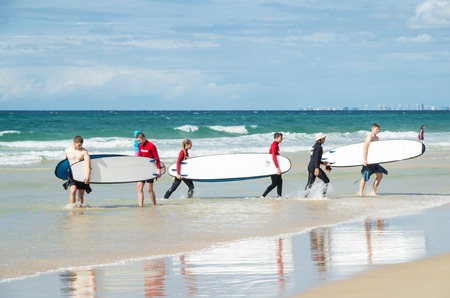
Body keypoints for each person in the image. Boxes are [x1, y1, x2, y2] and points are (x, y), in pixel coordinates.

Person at [358, 123, 388, 196]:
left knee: (380, 175)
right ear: (372, 129)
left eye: (378, 129)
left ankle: (373, 191)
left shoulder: (377, 138)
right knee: (365, 177)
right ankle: (360, 193)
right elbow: (365, 148)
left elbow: (375, 150)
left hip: (374, 161)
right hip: (368, 161)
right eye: (376, 129)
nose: (378, 130)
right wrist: (365, 160)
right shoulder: (369, 137)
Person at [63, 135, 91, 206]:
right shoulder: (67, 151)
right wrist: (64, 175)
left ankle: (79, 209)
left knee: (81, 193)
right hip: (72, 173)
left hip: (82, 173)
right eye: (79, 145)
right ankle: (72, 208)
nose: (80, 147)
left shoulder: (84, 152)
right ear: (74, 142)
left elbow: (88, 165)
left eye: (81, 145)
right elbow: (64, 164)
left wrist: (87, 176)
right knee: (73, 191)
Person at [136, 132, 161, 206]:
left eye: (139, 140)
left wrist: (158, 170)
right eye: (138, 141)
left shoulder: (151, 146)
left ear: (143, 138)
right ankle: (140, 206)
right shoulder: (140, 145)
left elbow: (157, 158)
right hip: (142, 169)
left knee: (149, 189)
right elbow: (140, 157)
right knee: (139, 187)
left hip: (150, 169)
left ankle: (154, 205)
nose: (138, 142)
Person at [305, 132, 331, 197]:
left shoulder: (314, 146)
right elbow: (316, 158)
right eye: (323, 138)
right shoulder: (319, 147)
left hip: (310, 166)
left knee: (310, 183)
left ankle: (304, 196)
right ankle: (323, 196)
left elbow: (314, 158)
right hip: (314, 167)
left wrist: (323, 163)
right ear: (320, 139)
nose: (324, 139)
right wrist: (317, 168)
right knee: (326, 181)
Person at [261, 132, 283, 197]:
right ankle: (263, 196)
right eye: (281, 138)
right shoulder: (274, 145)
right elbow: (273, 157)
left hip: (276, 166)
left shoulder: (276, 145)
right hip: (274, 167)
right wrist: (277, 168)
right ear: (277, 138)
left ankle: (279, 196)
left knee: (280, 182)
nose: (282, 139)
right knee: (275, 183)